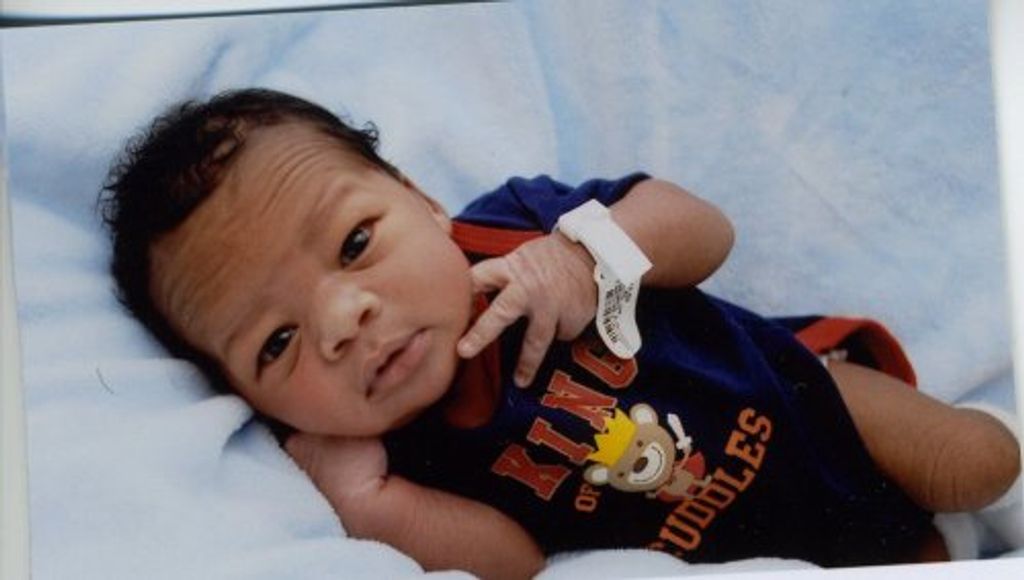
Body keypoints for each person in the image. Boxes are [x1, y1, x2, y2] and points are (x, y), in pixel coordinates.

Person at [99, 88, 1021, 579]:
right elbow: (516, 564)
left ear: (422, 201)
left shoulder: (517, 231)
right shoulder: (401, 457)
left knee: (980, 463)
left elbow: (705, 231)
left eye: (354, 244)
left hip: (800, 400)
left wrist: (589, 258)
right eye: (276, 343)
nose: (344, 322)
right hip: (738, 551)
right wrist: (371, 505)